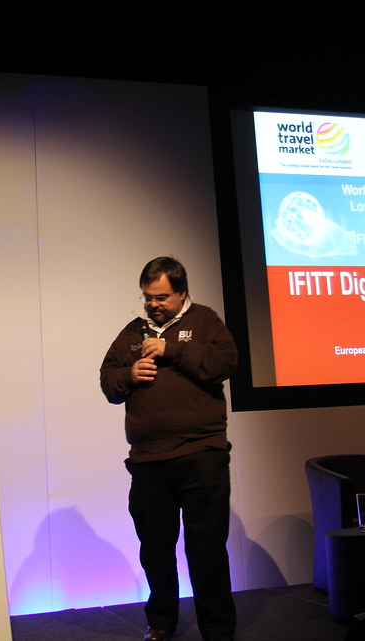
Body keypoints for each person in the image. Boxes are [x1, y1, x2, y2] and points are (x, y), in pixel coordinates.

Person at [100, 257, 238, 641]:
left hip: (201, 455)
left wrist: (171, 349)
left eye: (161, 297)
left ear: (181, 293)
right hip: (148, 461)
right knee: (155, 551)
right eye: (148, 297)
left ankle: (218, 631)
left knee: (207, 549)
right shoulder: (132, 332)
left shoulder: (205, 321)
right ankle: (161, 622)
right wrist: (129, 374)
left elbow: (225, 363)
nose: (153, 304)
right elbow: (108, 380)